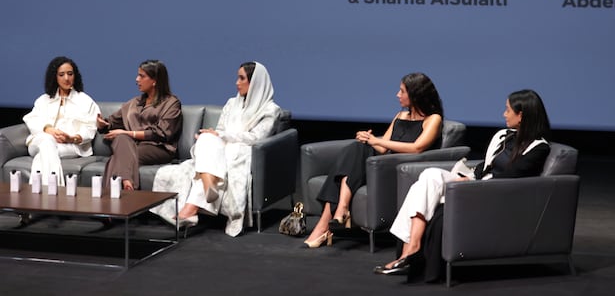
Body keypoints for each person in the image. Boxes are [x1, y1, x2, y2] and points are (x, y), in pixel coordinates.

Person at [375, 89, 551, 276]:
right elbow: (486, 164)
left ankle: (408, 252)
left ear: (521, 115)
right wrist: (468, 176)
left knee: (422, 186)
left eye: (507, 110)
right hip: (477, 182)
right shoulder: (503, 135)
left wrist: (472, 182)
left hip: (490, 192)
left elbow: (512, 176)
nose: (504, 114)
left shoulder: (538, 148)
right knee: (429, 175)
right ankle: (411, 249)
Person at [303, 72, 444, 249]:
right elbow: (383, 148)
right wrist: (368, 138)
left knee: (353, 159)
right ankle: (339, 211)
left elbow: (417, 148)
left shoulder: (433, 119)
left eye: (402, 91)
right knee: (357, 147)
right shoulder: (400, 116)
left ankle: (327, 223)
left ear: (416, 94)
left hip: (402, 170)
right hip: (382, 164)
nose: (397, 95)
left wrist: (376, 141)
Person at [150, 61, 281, 236]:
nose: (237, 82)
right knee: (205, 137)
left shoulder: (271, 110)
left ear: (255, 82)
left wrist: (223, 136)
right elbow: (219, 130)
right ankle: (208, 183)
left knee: (214, 145)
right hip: (222, 146)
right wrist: (215, 134)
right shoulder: (231, 103)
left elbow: (257, 137)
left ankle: (190, 208)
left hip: (244, 150)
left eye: (241, 78)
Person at [97, 60, 182, 191]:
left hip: (158, 148)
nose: (137, 79)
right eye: (138, 75)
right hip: (130, 145)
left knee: (120, 154)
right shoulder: (134, 103)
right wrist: (103, 124)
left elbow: (163, 133)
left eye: (142, 76)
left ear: (155, 81)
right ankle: (128, 185)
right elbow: (112, 122)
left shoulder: (171, 103)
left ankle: (109, 199)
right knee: (121, 140)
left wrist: (129, 133)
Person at [22, 56, 99, 186]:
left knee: (44, 153)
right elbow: (32, 119)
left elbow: (90, 127)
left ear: (75, 76)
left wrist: (72, 138)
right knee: (47, 141)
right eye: (61, 74)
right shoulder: (44, 99)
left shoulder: (85, 101)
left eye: (70, 74)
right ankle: (56, 191)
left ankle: (36, 193)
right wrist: (48, 129)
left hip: (70, 145)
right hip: (40, 142)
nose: (66, 78)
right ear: (55, 77)